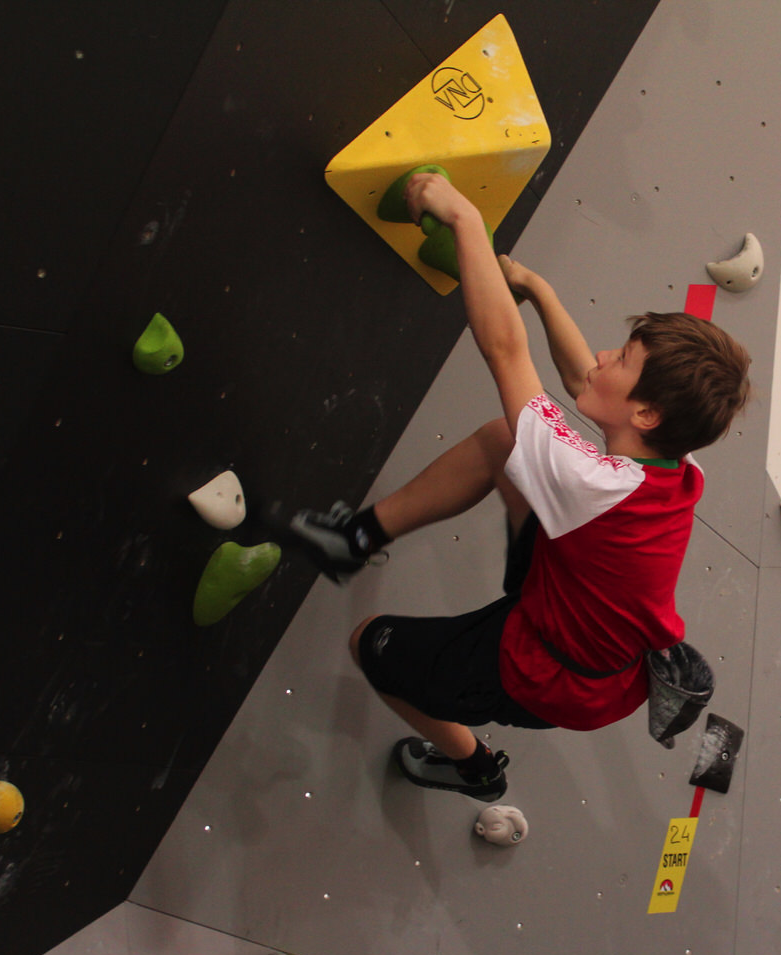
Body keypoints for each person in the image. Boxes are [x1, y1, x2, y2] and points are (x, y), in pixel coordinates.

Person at [290, 171, 751, 800]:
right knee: (507, 440)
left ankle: (475, 767)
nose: (604, 358)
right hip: (579, 608)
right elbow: (582, 378)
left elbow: (504, 351)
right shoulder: (678, 461)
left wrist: (464, 219)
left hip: (547, 672)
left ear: (646, 414)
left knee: (368, 643)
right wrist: (537, 289)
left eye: (622, 359)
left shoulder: (591, 483)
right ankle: (358, 537)